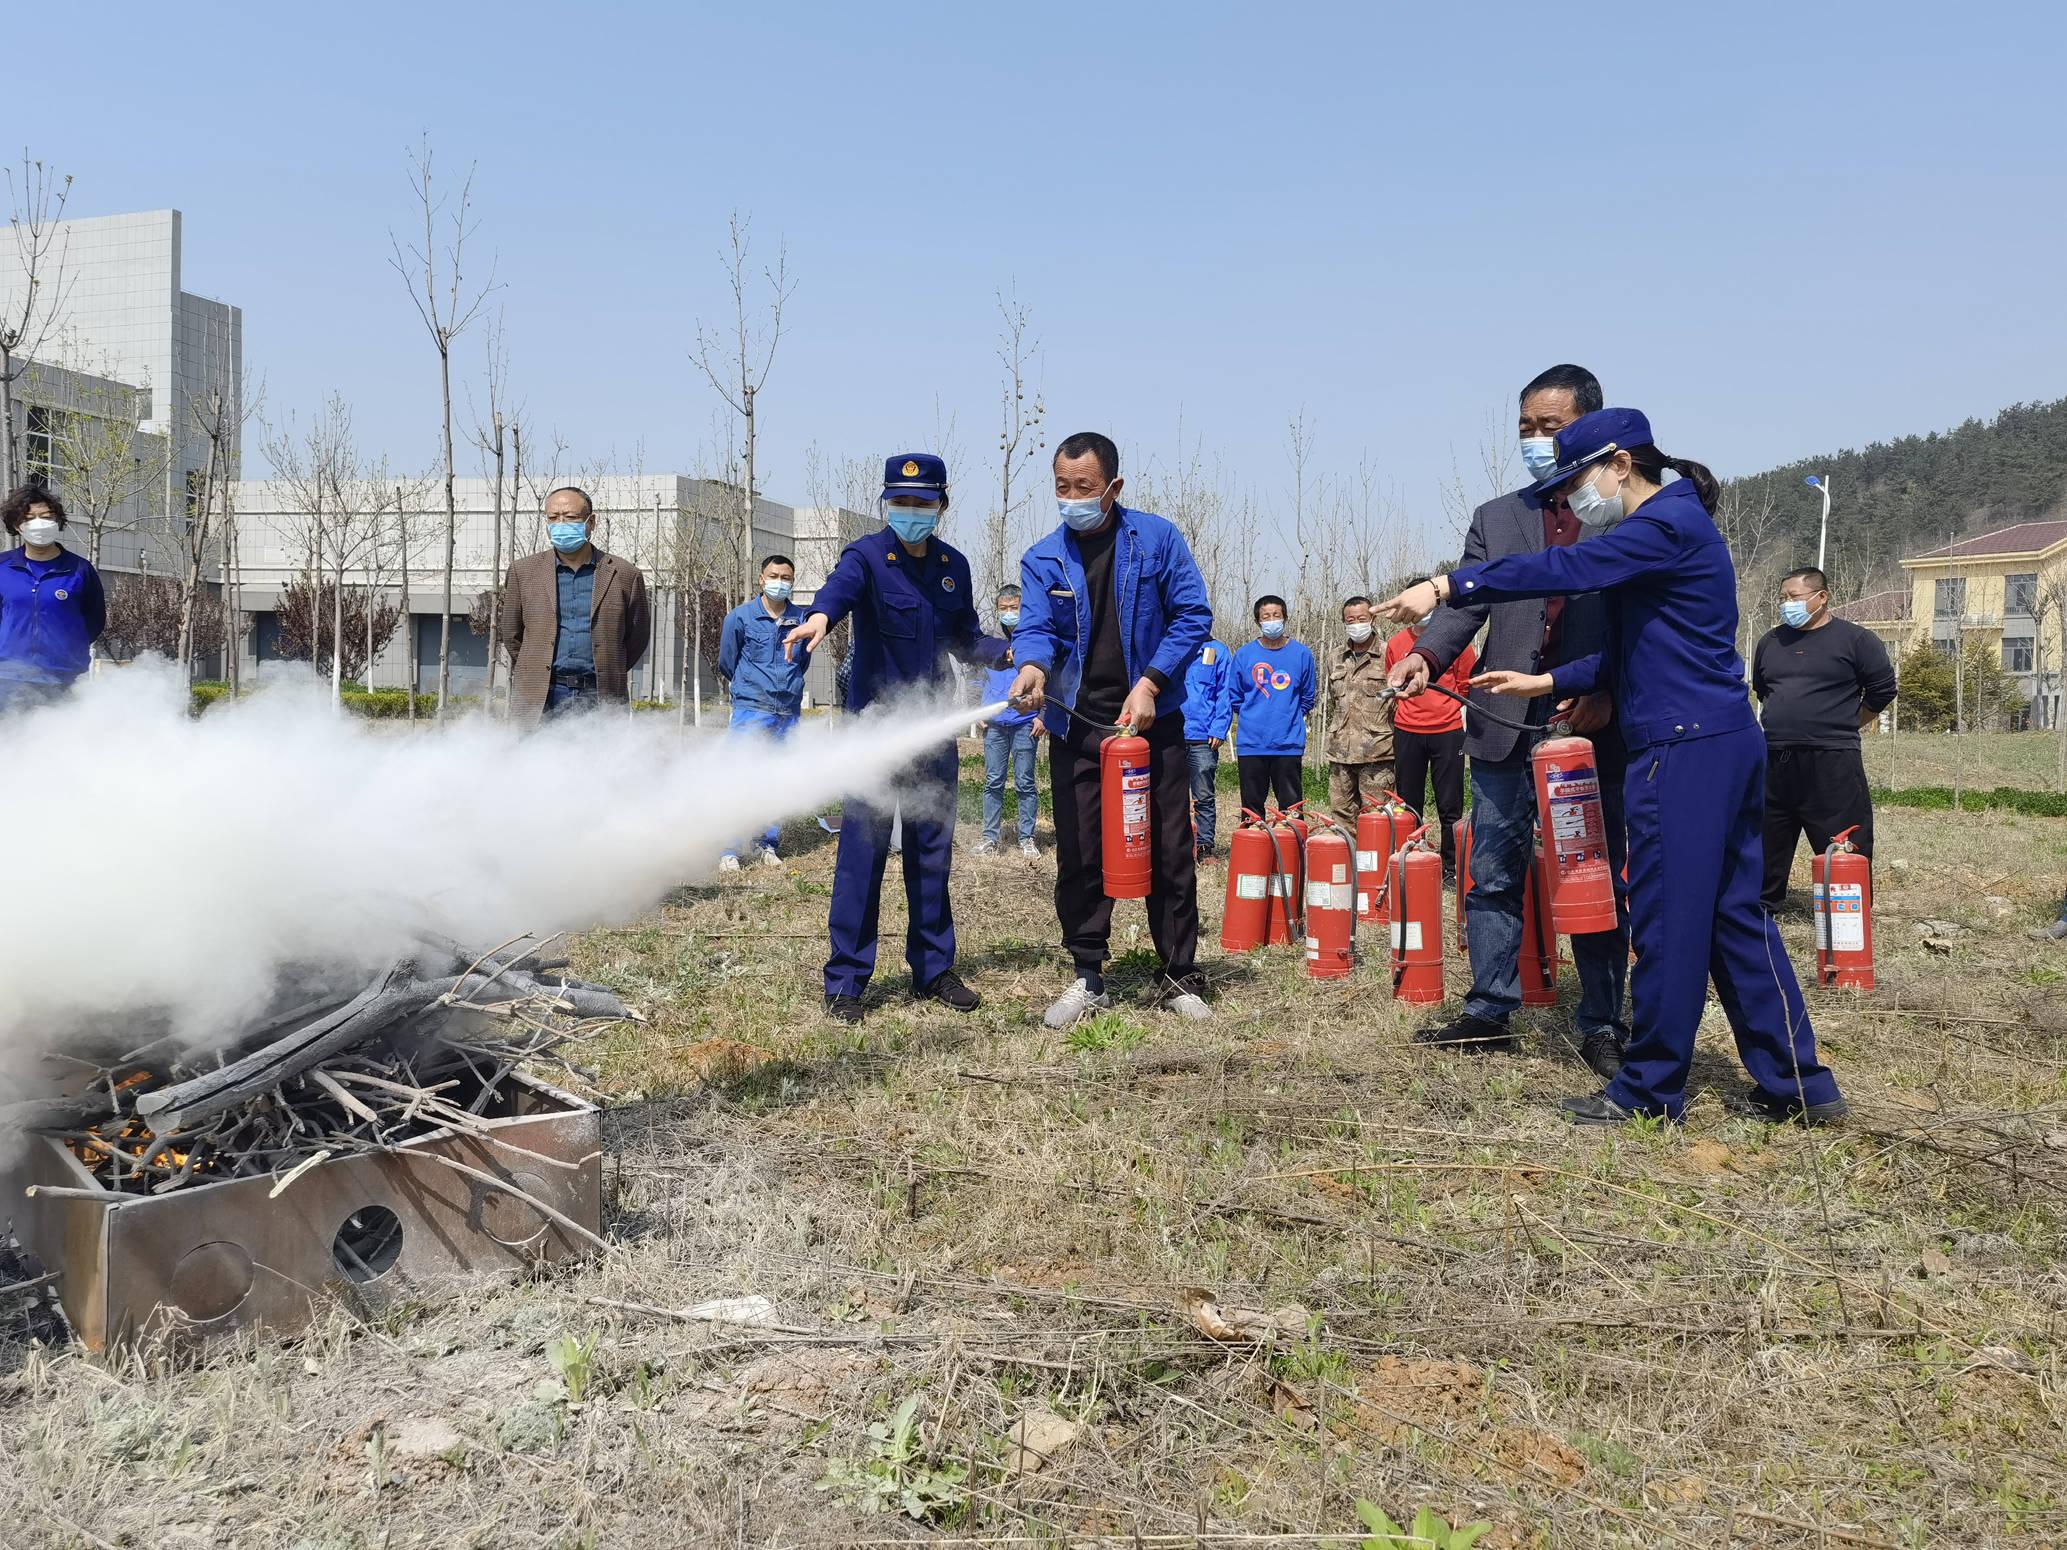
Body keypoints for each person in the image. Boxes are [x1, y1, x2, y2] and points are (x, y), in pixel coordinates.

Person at [1380, 407, 1845, 1128]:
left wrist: (1449, 587)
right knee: (1731, 918)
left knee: (1665, 923)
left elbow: (1568, 565)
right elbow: (1643, 645)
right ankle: (1797, 1082)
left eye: (1574, 483)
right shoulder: (1676, 528)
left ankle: (1650, 1090)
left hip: (1683, 751)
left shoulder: (1657, 525)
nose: (1567, 501)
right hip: (1719, 740)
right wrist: (1546, 682)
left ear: (1620, 465)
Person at [1394, 364, 1630, 1077]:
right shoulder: (1497, 518)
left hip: (1586, 724)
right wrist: (1427, 659)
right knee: (1490, 869)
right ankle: (1489, 1010)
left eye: (1549, 428)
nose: (1533, 440)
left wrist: (1610, 690)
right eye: (1525, 428)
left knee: (1588, 875)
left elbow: (1638, 616)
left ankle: (1600, 1021)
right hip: (1502, 718)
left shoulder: (1622, 513)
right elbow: (1464, 606)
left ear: (1588, 429)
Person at [782, 454, 1006, 1023]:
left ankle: (933, 969)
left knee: (932, 852)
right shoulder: (866, 556)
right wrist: (817, 619)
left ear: (941, 505)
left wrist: (1007, 652)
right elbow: (838, 591)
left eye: (922, 503)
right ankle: (847, 980)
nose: (910, 511)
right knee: (864, 852)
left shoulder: (954, 565)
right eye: (900, 502)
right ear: (887, 504)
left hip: (931, 730)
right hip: (876, 731)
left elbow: (965, 639)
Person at [1008, 430, 1215, 1029]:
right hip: (1078, 725)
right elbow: (1036, 629)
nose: (1072, 498)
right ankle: (1088, 975)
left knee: (1170, 849)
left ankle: (1177, 974)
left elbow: (1192, 613)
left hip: (1154, 722)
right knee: (1080, 852)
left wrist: (1151, 681)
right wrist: (1031, 666)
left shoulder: (1156, 540)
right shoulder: (1042, 556)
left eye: (1085, 488)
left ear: (1113, 487)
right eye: (1062, 488)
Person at [1752, 567, 1897, 911]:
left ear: (1821, 597)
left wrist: (1846, 724)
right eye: (1783, 598)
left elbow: (1881, 690)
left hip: (1832, 759)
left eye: (1795, 597)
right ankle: (1761, 907)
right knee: (1767, 838)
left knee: (1842, 837)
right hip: (1775, 758)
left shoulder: (1856, 640)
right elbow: (1763, 691)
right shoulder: (1770, 642)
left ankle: (1845, 908)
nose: (1787, 604)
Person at [504, 486, 651, 722]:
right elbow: (512, 635)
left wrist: (608, 664)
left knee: (600, 759)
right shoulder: (524, 572)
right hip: (541, 696)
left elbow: (637, 638)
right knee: (536, 759)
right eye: (553, 518)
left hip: (600, 695)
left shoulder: (624, 575)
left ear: (591, 522)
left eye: (570, 517)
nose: (560, 524)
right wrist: (537, 664)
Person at [717, 554, 810, 870]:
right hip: (751, 709)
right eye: (774, 575)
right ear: (761, 578)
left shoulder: (802, 619)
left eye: (786, 577)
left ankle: (766, 843)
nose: (779, 582)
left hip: (788, 712)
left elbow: (802, 662)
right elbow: (728, 662)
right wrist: (752, 686)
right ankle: (729, 848)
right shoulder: (740, 618)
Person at [1384, 603, 1473, 876]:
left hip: (1447, 730)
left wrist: (1445, 708)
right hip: (1407, 728)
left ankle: (1450, 868)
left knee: (1450, 804)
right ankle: (1411, 861)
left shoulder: (1457, 642)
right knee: (1409, 802)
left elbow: (1466, 684)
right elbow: (1393, 682)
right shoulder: (1396, 643)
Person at [0, 485, 105, 713]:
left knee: (61, 744)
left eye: (46, 517)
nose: (39, 523)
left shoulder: (79, 570)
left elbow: (94, 621)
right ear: (17, 526)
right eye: (29, 518)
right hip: (8, 678)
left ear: (57, 520)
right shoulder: (3, 568)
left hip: (64, 677)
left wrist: (66, 647)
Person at [1231, 596, 1317, 816]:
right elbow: (1235, 696)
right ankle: (1253, 848)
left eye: (1276, 615)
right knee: (1251, 810)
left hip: (1287, 743)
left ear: (1285, 617)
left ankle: (1290, 848)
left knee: (1291, 808)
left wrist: (1288, 717)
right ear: (1258, 621)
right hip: (1252, 743)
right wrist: (1255, 717)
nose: (1272, 621)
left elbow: (1307, 697)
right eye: (1266, 616)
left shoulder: (1301, 654)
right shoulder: (1244, 654)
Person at [977, 584, 1043, 856]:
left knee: (1025, 782)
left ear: (1022, 607)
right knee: (993, 781)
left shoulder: (1034, 639)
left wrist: (1043, 716)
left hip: (1025, 722)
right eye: (1003, 609)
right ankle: (989, 838)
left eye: (1013, 608)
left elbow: (1047, 680)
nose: (1008, 613)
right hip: (994, 724)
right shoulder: (991, 643)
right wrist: (979, 710)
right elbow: (975, 678)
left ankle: (1027, 838)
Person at [1324, 596, 1395, 826]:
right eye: (1350, 620)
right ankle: (1347, 860)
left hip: (1378, 751)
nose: (1356, 624)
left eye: (1361, 618)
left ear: (1373, 618)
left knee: (1376, 818)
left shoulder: (1389, 653)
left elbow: (1399, 702)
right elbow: (1335, 702)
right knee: (1342, 816)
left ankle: (1373, 863)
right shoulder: (1334, 657)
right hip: (1341, 752)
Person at [1179, 634, 1236, 861]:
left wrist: (1219, 728)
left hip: (1203, 736)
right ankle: (1175, 846)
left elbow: (1225, 692)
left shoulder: (1218, 652)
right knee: (1169, 794)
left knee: (1203, 794)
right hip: (1172, 734)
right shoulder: (1173, 647)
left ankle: (1204, 846)